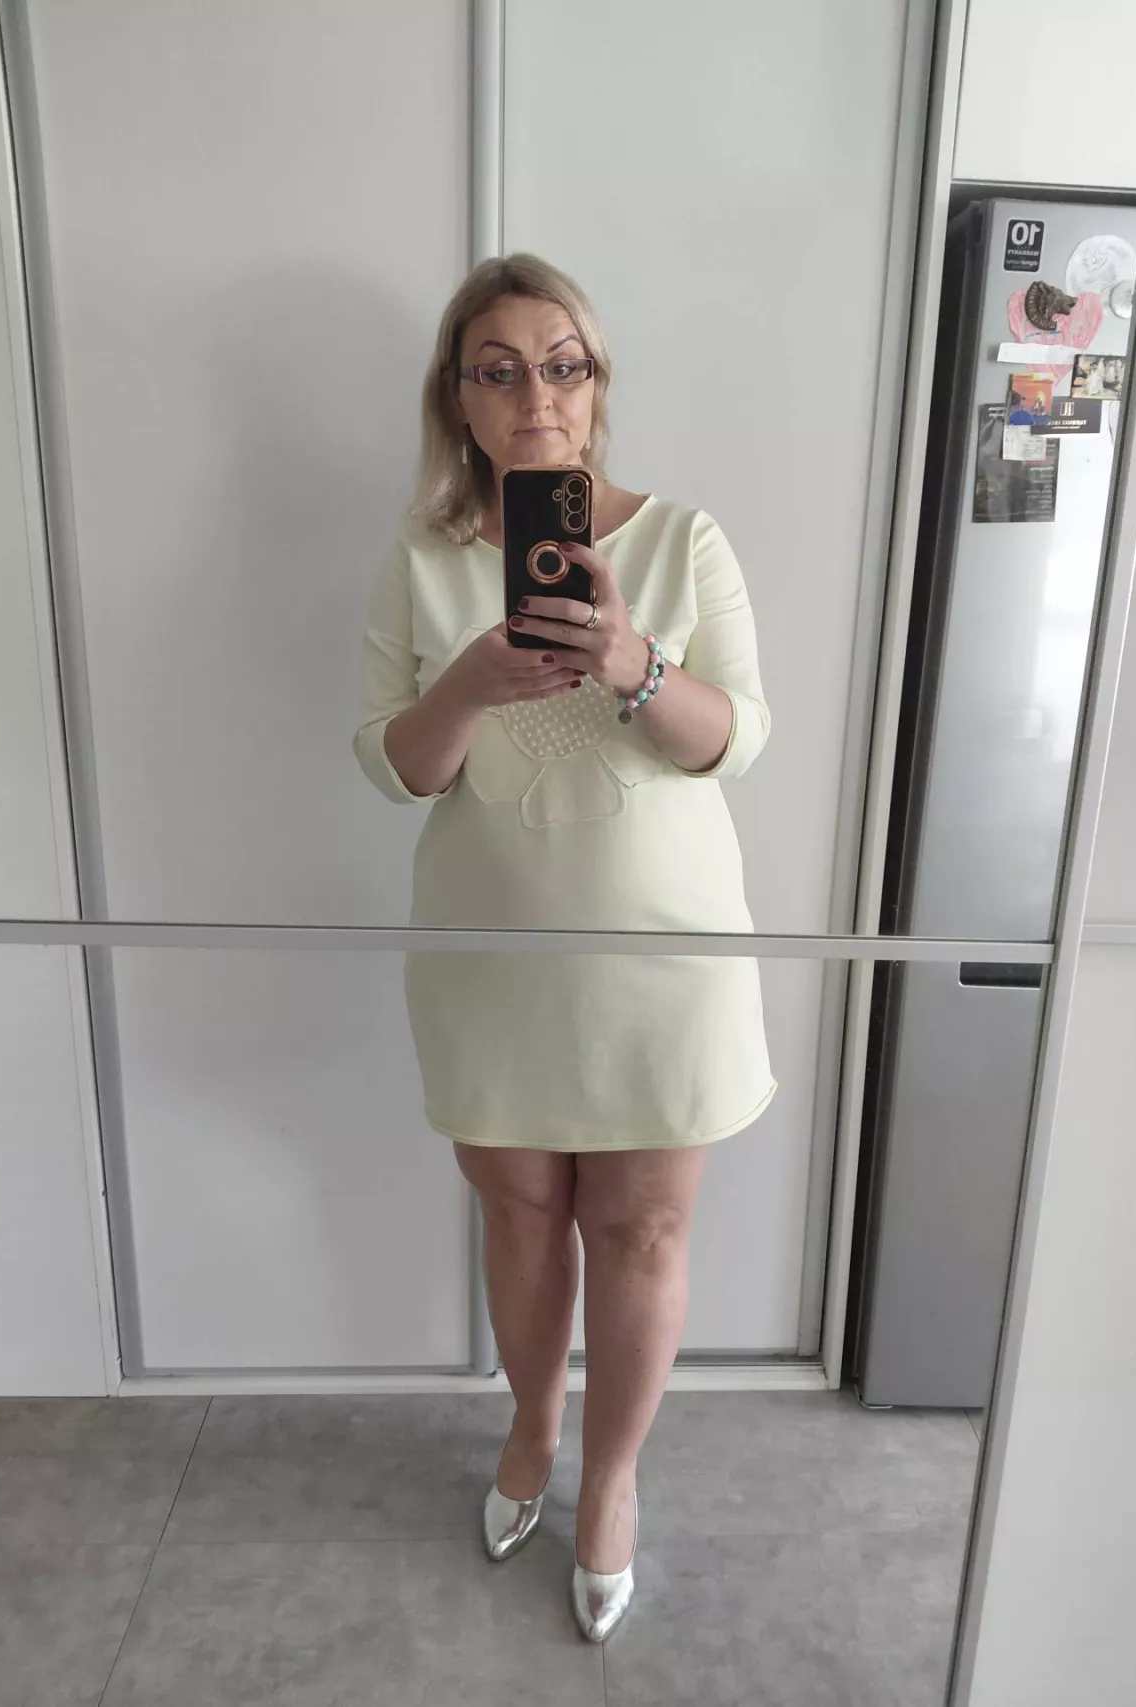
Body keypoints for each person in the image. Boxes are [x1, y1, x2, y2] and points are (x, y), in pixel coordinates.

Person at [353, 253, 774, 1642]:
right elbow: (398, 768)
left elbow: (738, 739)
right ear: (459, 401)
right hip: (493, 960)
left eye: (562, 364)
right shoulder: (422, 559)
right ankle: (532, 1428)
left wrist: (631, 662)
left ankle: (613, 1478)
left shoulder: (686, 538)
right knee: (520, 1215)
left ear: (595, 389)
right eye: (499, 369)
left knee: (643, 1227)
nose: (535, 394)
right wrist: (474, 679)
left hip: (664, 961)